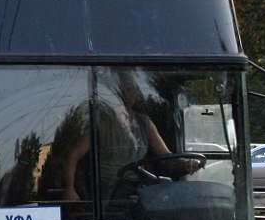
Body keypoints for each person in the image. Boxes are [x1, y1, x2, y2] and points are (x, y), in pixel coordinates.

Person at [61, 70, 200, 204]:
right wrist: (69, 189)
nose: (128, 94)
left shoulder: (144, 123)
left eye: (131, 90)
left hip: (137, 192)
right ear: (116, 93)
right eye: (124, 90)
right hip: (104, 196)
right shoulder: (100, 122)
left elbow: (166, 157)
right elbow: (72, 155)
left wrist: (186, 163)